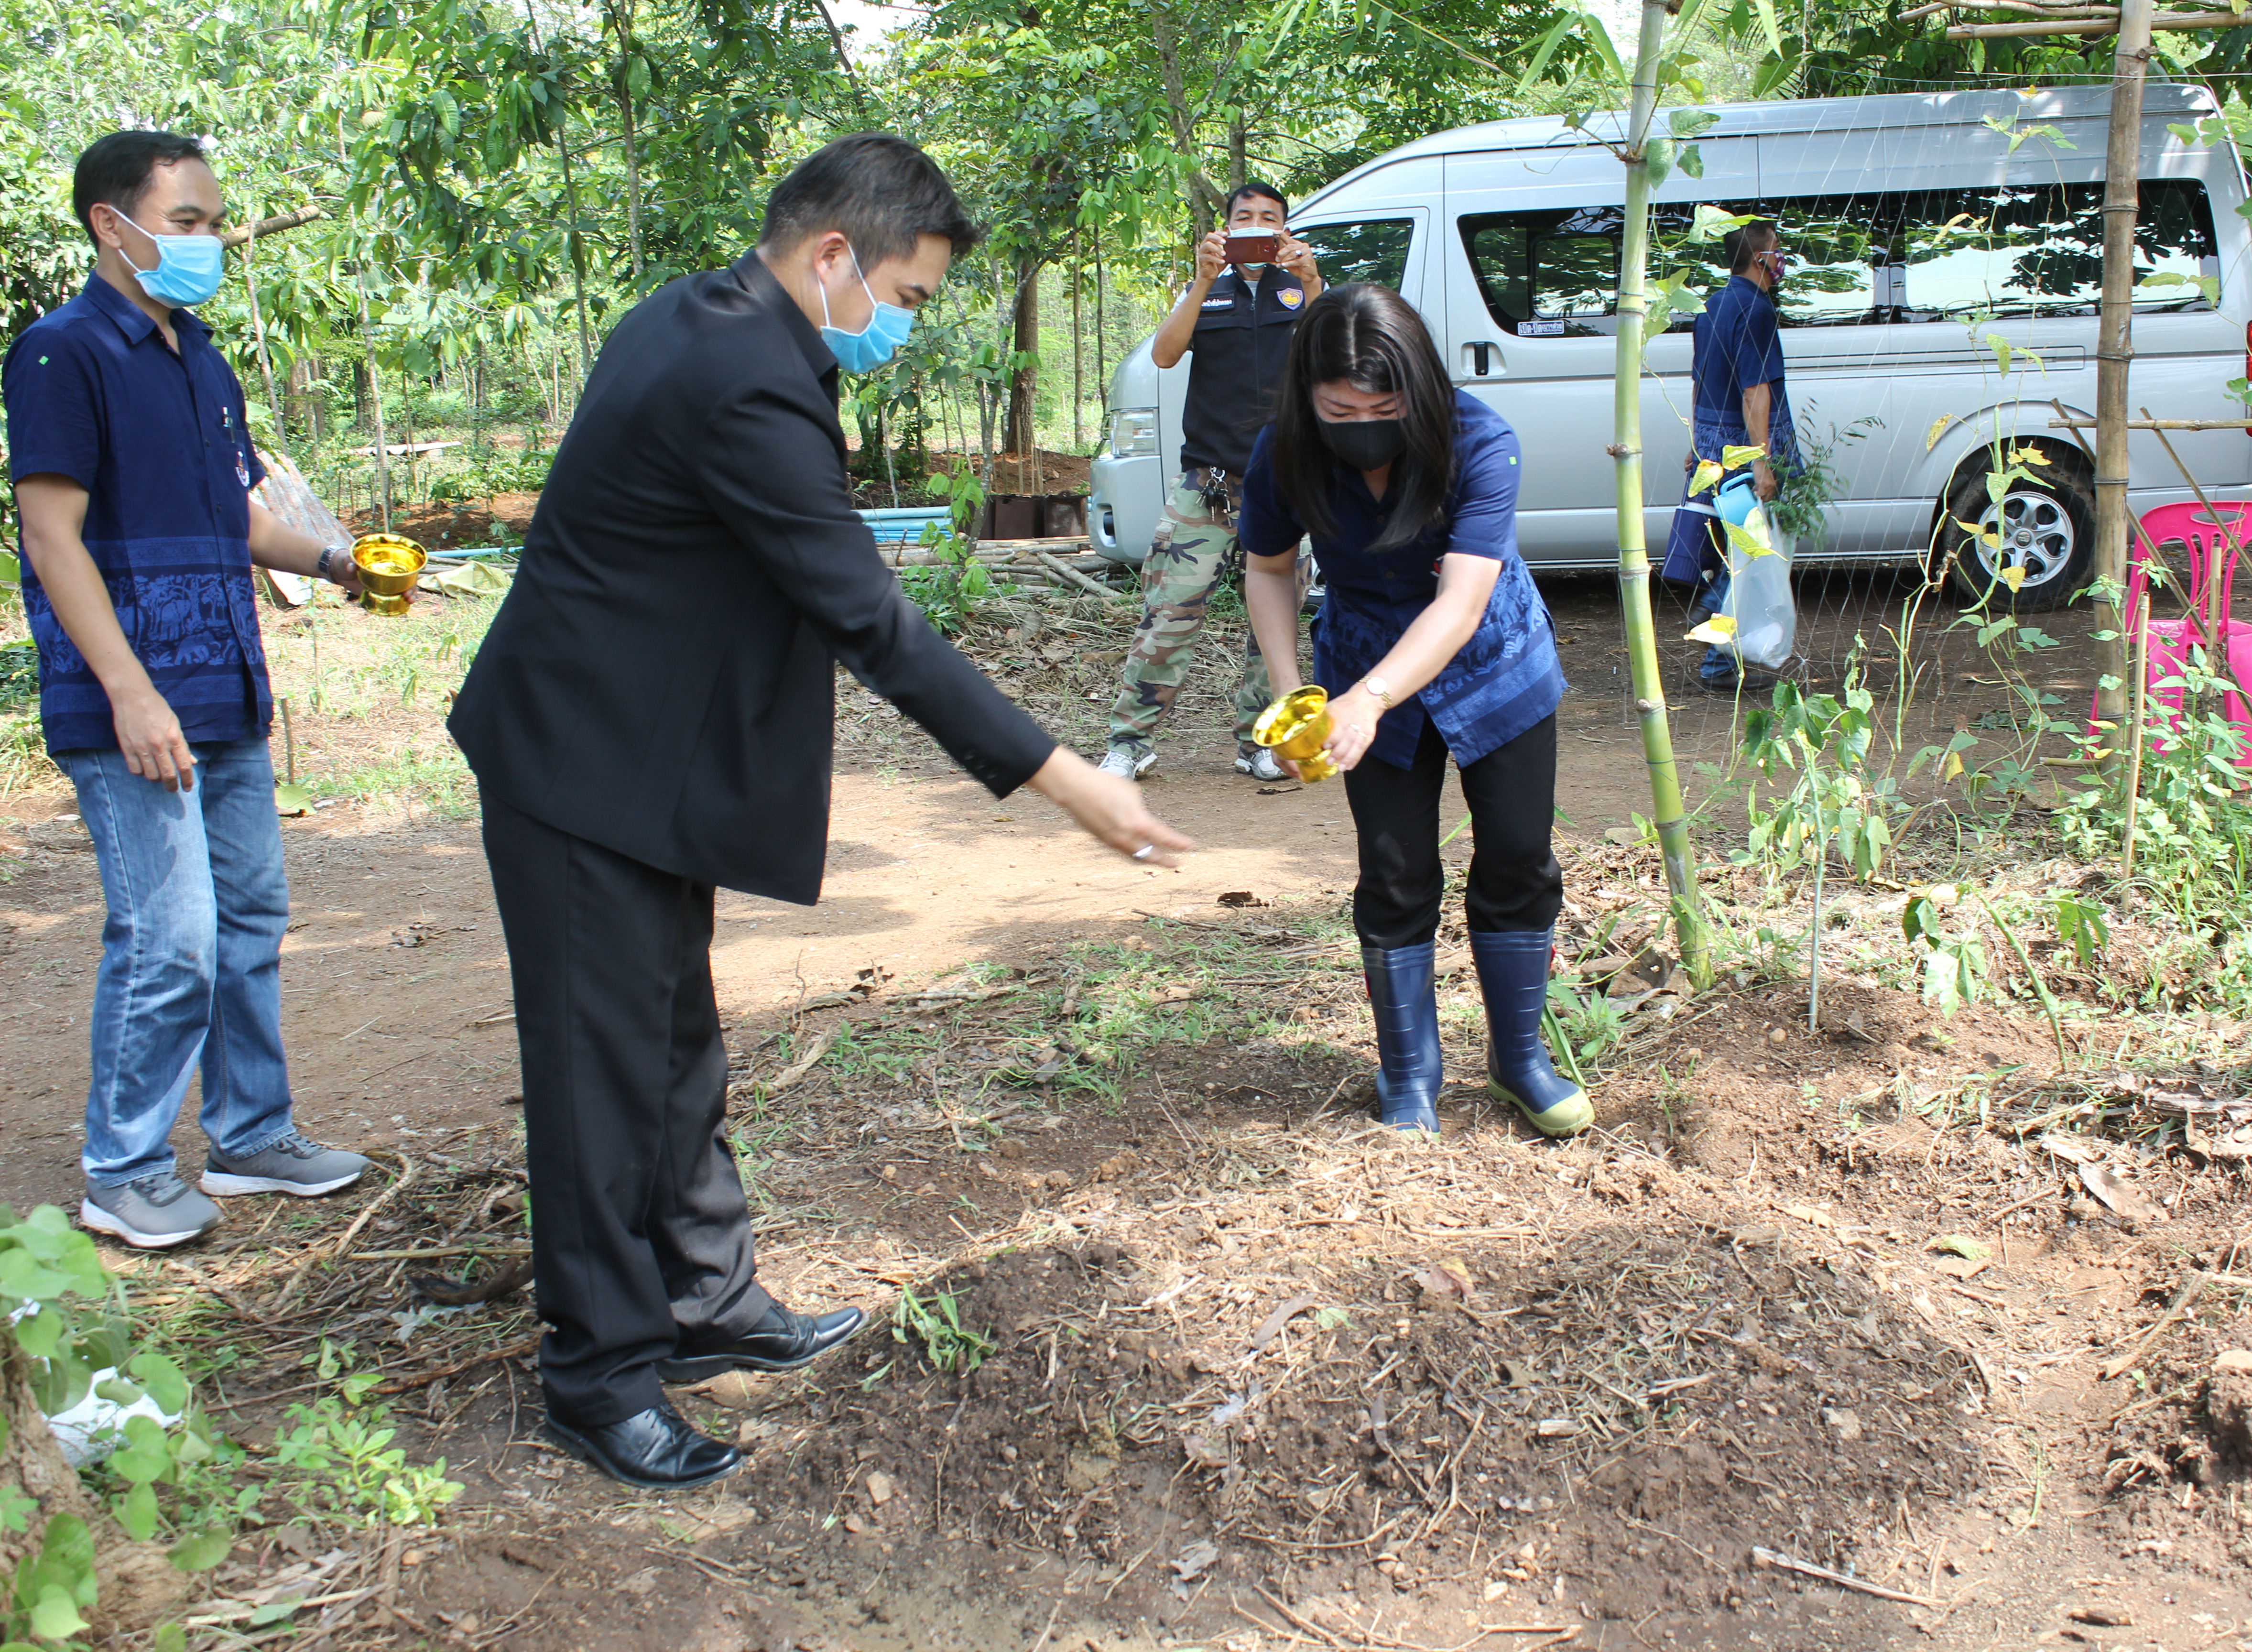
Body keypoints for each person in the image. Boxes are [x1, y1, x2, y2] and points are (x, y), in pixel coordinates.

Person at [446, 133, 1190, 1493]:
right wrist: (1064, 775)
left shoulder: (710, 316)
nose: (905, 326)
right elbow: (869, 618)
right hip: (579, 763)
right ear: (832, 256)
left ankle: (706, 1299)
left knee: (672, 1041)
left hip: (639, 760)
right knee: (599, 1073)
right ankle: (600, 1374)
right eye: (907, 297)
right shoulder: (742, 379)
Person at [3, 131, 372, 1251]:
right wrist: (128, 688)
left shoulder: (200, 356)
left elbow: (232, 512)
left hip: (224, 683)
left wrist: (336, 560)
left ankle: (253, 1131)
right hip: (133, 703)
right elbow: (49, 532)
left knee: (251, 917)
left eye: (214, 221)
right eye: (190, 222)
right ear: (112, 227)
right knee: (169, 934)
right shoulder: (63, 354)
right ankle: (123, 1166)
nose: (210, 241)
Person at [1237, 284, 1588, 1141]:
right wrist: (1292, 689)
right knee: (1393, 872)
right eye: (1338, 408)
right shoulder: (1283, 450)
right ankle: (1409, 1075)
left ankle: (1517, 1060)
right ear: (1307, 398)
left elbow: (1461, 603)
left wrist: (1372, 697)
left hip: (1491, 664)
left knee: (1516, 856)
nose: (1361, 424)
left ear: (1419, 387)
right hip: (1359, 657)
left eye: (1383, 404)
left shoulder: (1478, 441)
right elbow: (1269, 567)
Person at [1098, 181, 1322, 784]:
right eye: (1243, 218)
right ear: (1224, 230)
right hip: (1209, 485)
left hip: (1284, 486)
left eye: (1268, 219)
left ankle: (1258, 743)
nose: (1255, 227)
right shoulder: (1208, 292)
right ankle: (1130, 742)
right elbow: (1166, 355)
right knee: (1169, 613)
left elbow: (1332, 358)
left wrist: (1314, 285)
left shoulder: (1302, 293)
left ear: (1285, 231)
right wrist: (1200, 281)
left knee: (1271, 625)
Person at [1660, 219, 1803, 693]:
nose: (1782, 257)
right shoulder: (1757, 310)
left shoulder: (1712, 305)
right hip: (1748, 446)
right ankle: (1715, 628)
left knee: (1734, 544)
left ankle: (1719, 648)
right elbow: (1755, 392)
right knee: (1752, 548)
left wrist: (1699, 443)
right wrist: (1762, 462)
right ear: (1760, 257)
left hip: (1714, 439)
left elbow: (1701, 379)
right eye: (1777, 249)